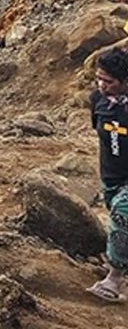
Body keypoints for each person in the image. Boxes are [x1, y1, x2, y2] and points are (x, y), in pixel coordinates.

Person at [87, 49, 128, 303]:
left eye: (109, 81)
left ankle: (113, 279)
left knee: (122, 216)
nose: (102, 86)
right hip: (110, 177)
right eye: (99, 79)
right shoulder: (97, 101)